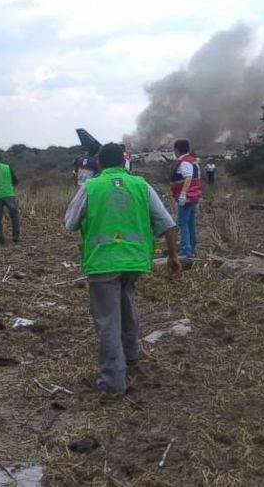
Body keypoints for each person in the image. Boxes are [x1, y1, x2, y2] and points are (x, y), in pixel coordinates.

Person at [64, 143, 180, 395]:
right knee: (128, 307)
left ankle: (113, 383)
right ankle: (132, 359)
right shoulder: (141, 185)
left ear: (100, 163)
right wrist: (173, 256)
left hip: (103, 263)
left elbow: (70, 222)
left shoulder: (91, 187)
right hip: (135, 262)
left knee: (108, 321)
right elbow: (167, 224)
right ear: (124, 161)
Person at [170, 139, 203, 257]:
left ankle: (186, 251)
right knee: (190, 222)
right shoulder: (192, 160)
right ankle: (192, 248)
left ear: (177, 150)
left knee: (182, 223)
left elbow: (188, 177)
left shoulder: (184, 162)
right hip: (194, 195)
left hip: (187, 196)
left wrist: (183, 194)